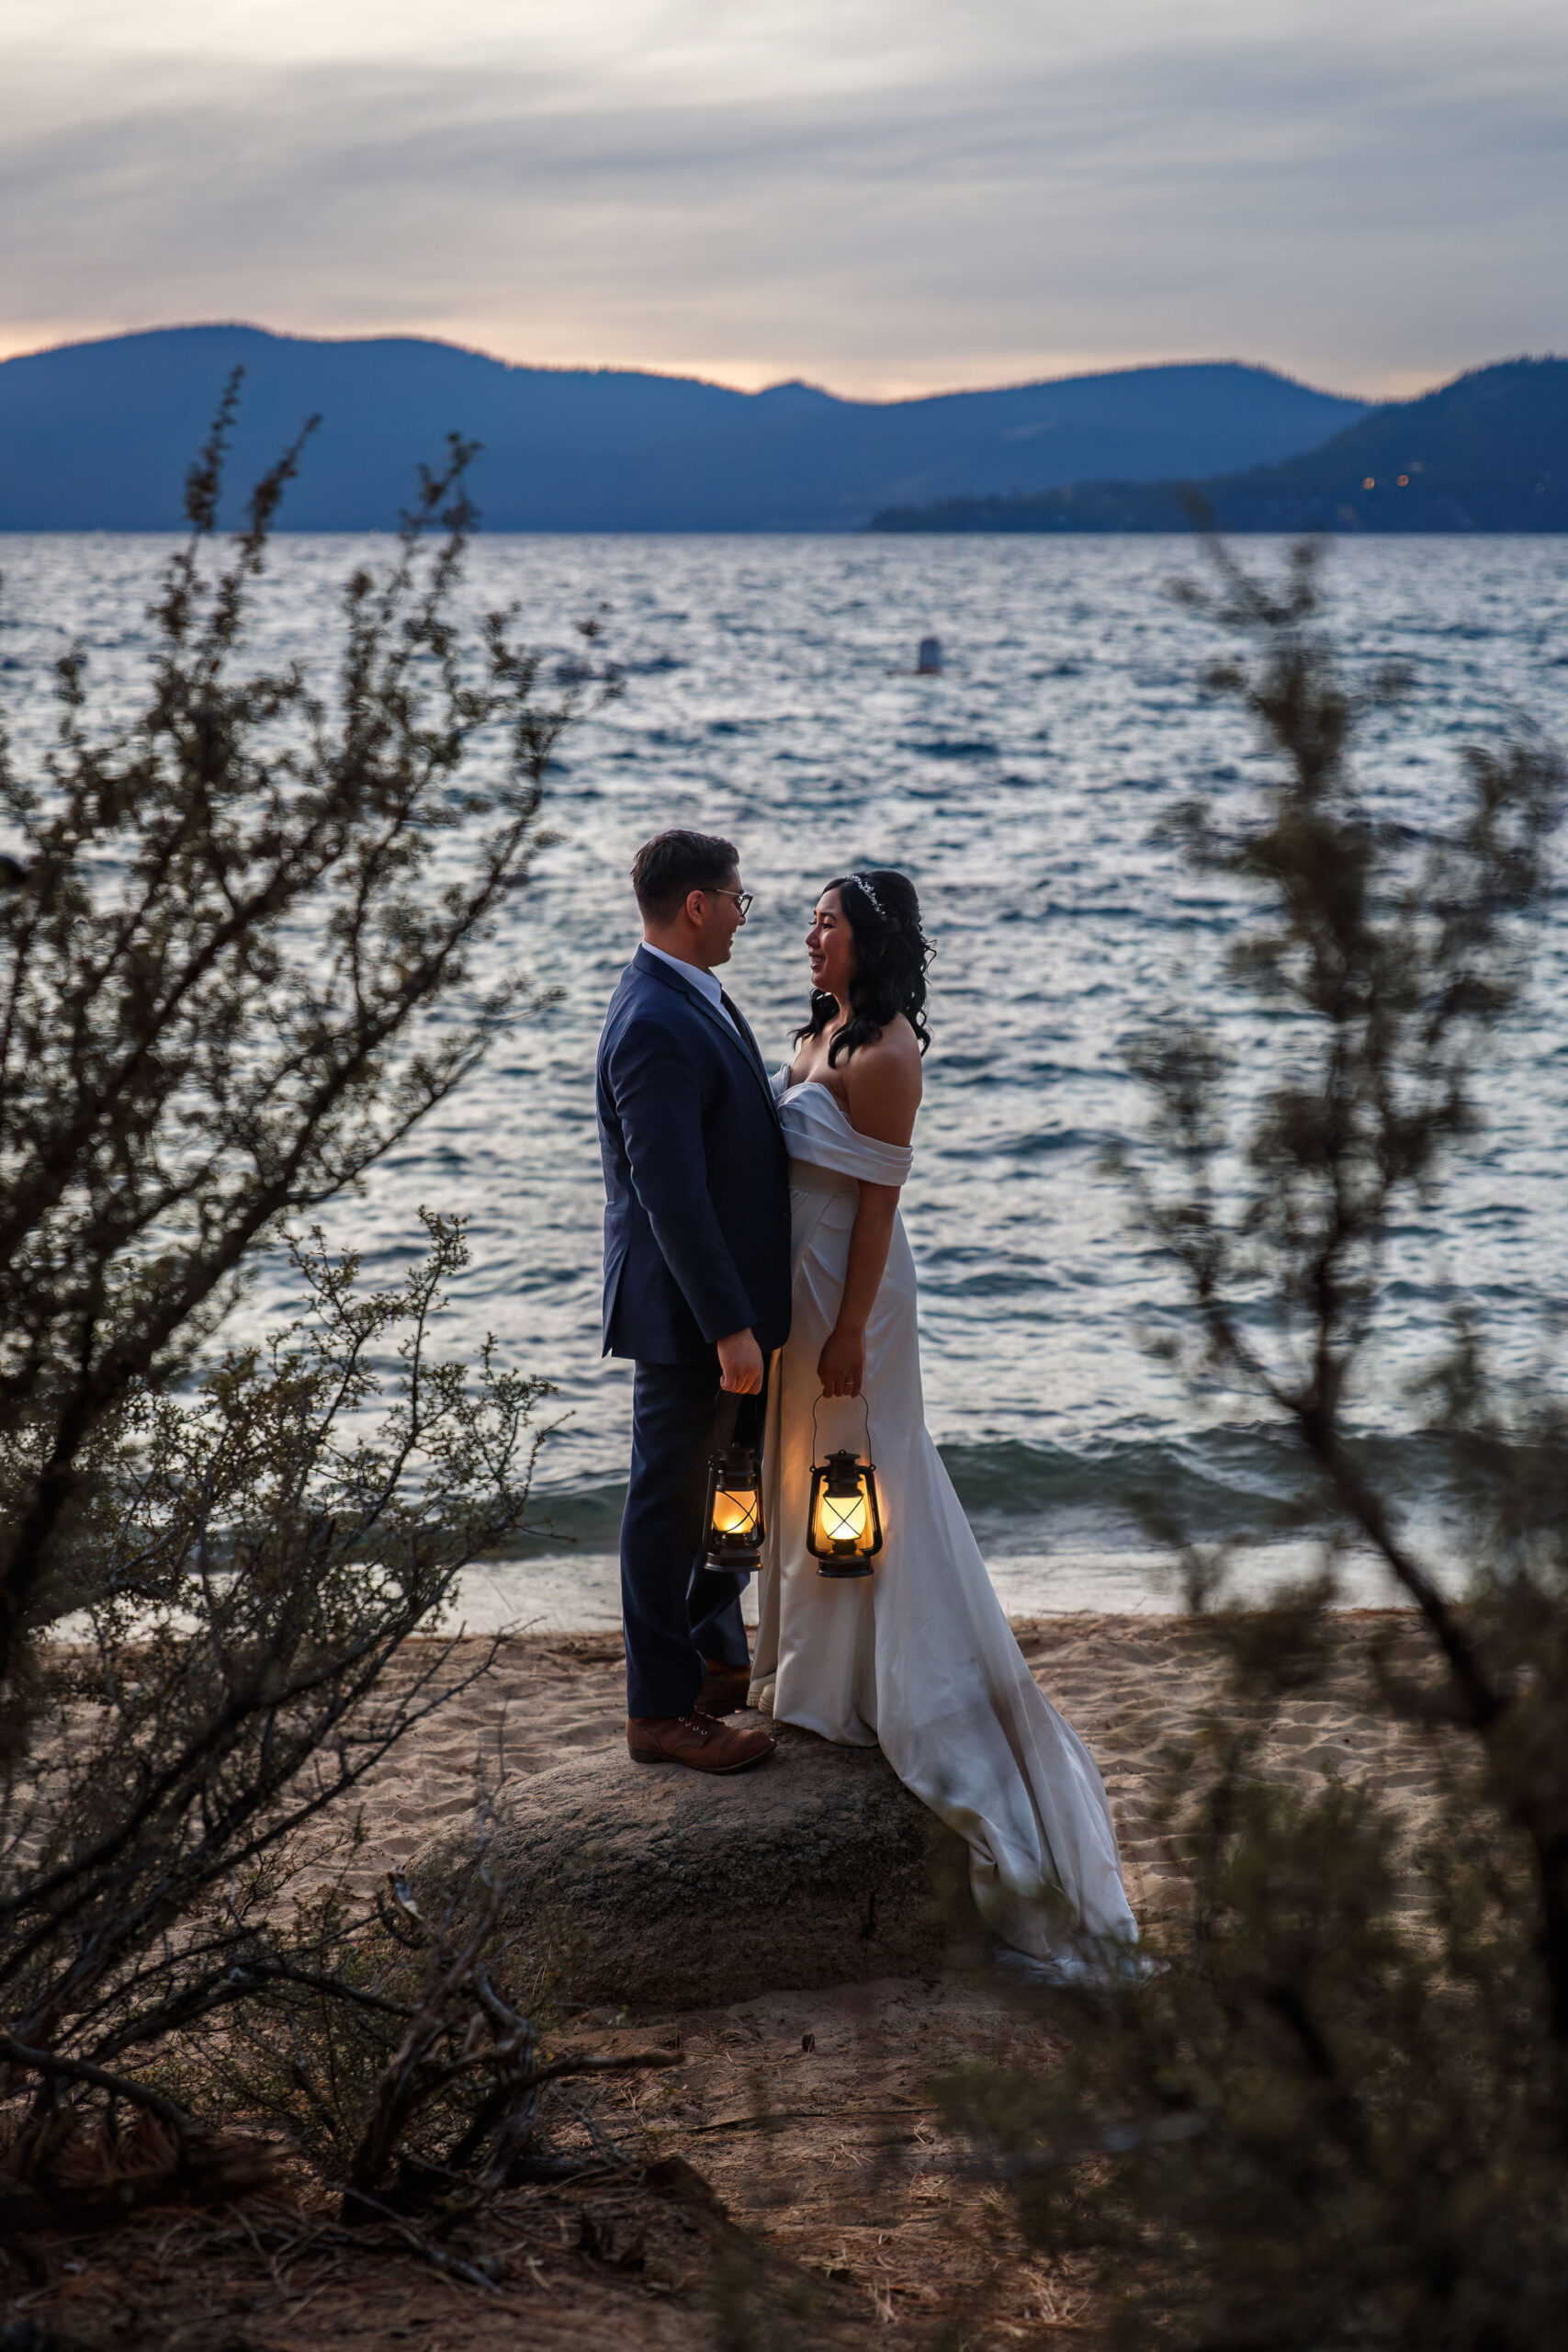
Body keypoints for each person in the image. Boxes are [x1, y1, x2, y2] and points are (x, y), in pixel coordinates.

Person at [750, 870, 1138, 1965]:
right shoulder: (819, 1031)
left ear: (869, 941)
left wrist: (848, 1330)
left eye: (828, 923)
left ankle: (871, 1684)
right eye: (810, 921)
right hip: (796, 1287)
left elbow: (879, 1207)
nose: (811, 936)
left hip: (854, 1298)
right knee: (797, 1480)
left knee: (861, 1479)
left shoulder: (891, 1053)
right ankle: (803, 1669)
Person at [596, 831, 790, 1772]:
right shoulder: (652, 1021)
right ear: (699, 904)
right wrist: (728, 1325)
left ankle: (716, 1655)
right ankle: (659, 1711)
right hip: (689, 1321)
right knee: (666, 1506)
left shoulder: (689, 998)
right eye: (738, 900)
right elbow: (668, 1191)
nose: (744, 916)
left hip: (732, 1312)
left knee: (729, 1499)